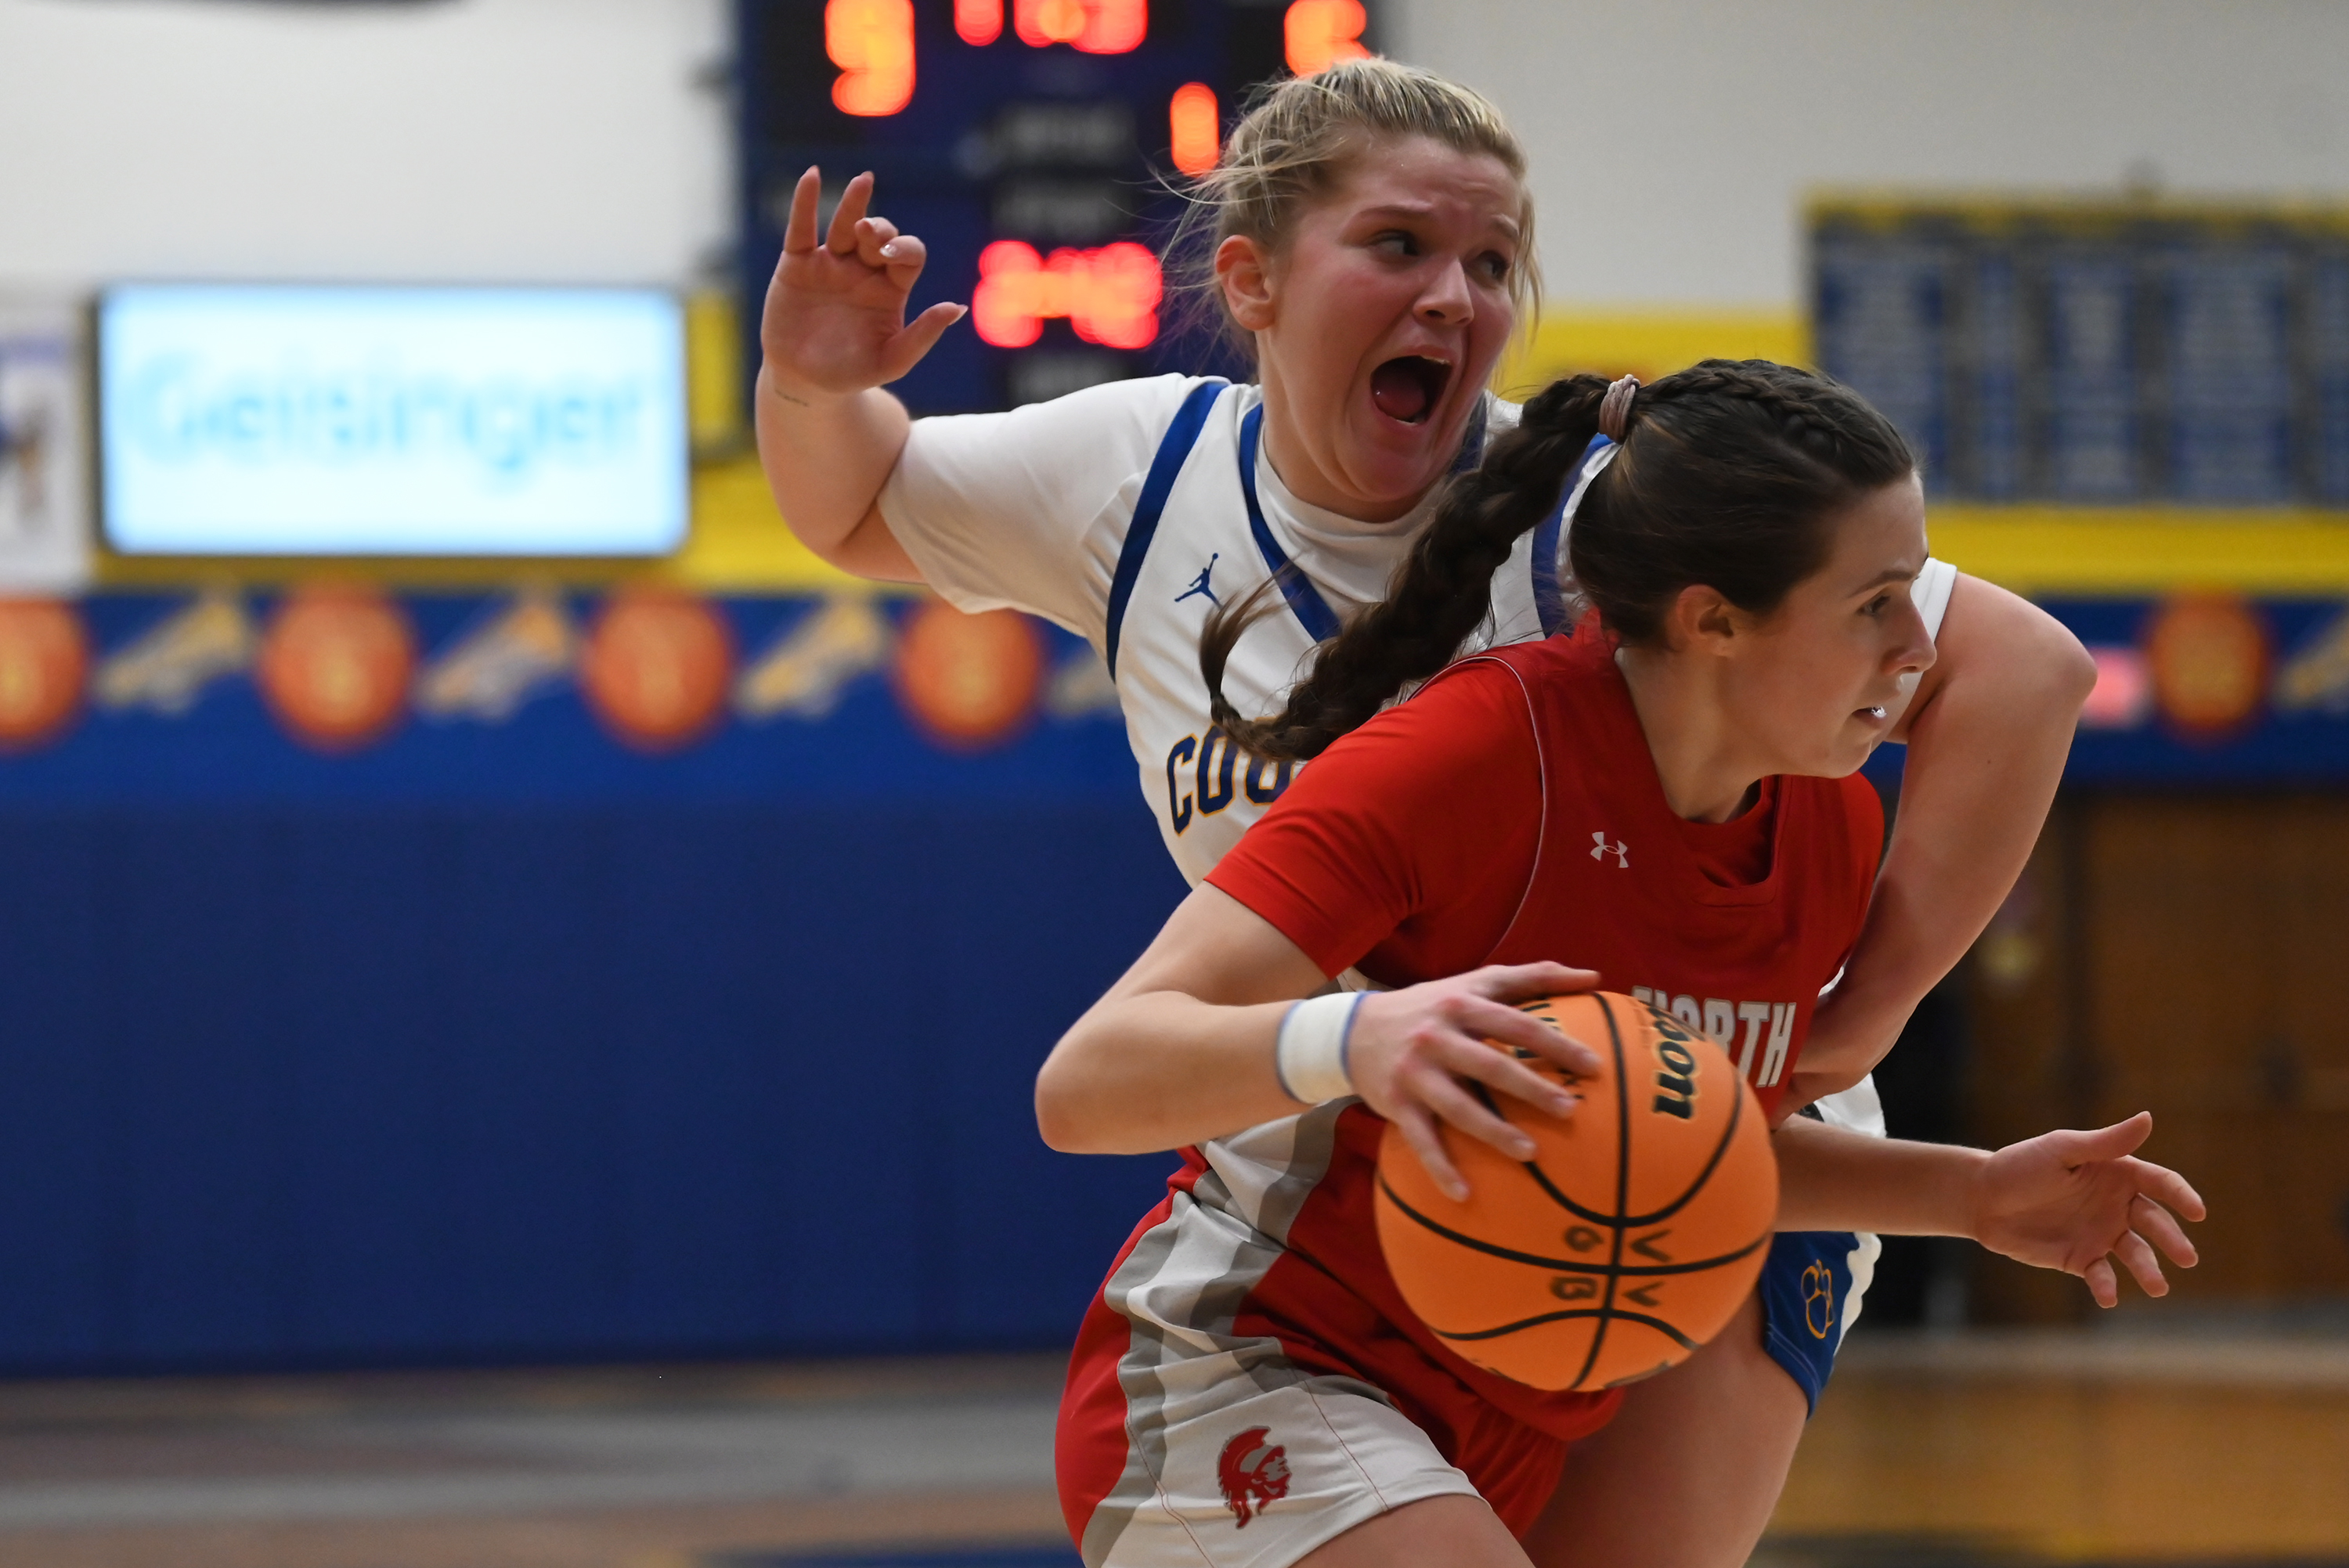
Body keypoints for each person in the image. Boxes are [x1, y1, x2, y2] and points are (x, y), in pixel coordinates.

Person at [753, 57, 2095, 1566]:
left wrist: (1864, 1018)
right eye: (1399, 247)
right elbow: (854, 505)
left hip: (1705, 1130)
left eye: (1492, 262)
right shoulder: (1138, 474)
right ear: (1252, 279)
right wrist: (813, 385)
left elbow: (2021, 667)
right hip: (1365, 1141)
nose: (1455, 295)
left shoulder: (1623, 525)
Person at [1034, 360, 2203, 1566]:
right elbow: (1085, 1083)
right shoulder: (1473, 758)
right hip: (1260, 1365)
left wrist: (1970, 1198)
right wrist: (1359, 1039)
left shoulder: (1828, 827)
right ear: (1713, 619)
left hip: (1503, 1419)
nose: (1918, 648)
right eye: (1876, 603)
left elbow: (1677, 1146)